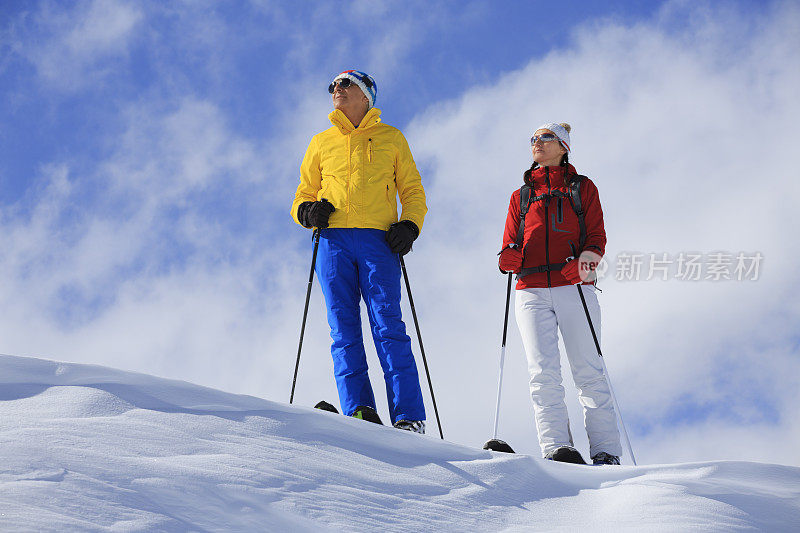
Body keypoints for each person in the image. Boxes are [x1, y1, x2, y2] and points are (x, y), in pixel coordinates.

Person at [290, 70, 428, 433]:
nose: (337, 89)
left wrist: (410, 225)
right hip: (332, 242)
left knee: (388, 325)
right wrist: (307, 212)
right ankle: (359, 410)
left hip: (377, 240)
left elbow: (412, 190)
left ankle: (408, 415)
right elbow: (303, 193)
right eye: (333, 85)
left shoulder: (391, 138)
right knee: (343, 328)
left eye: (345, 84)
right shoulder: (321, 141)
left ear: (366, 95)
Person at [498, 122, 622, 465]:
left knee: (589, 370)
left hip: (574, 288)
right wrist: (507, 258)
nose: (537, 143)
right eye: (533, 138)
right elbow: (509, 242)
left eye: (545, 137)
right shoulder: (520, 196)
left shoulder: (583, 188)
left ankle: (606, 451)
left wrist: (583, 265)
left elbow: (596, 238)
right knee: (542, 372)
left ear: (563, 146)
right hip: (531, 289)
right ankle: (556, 448)